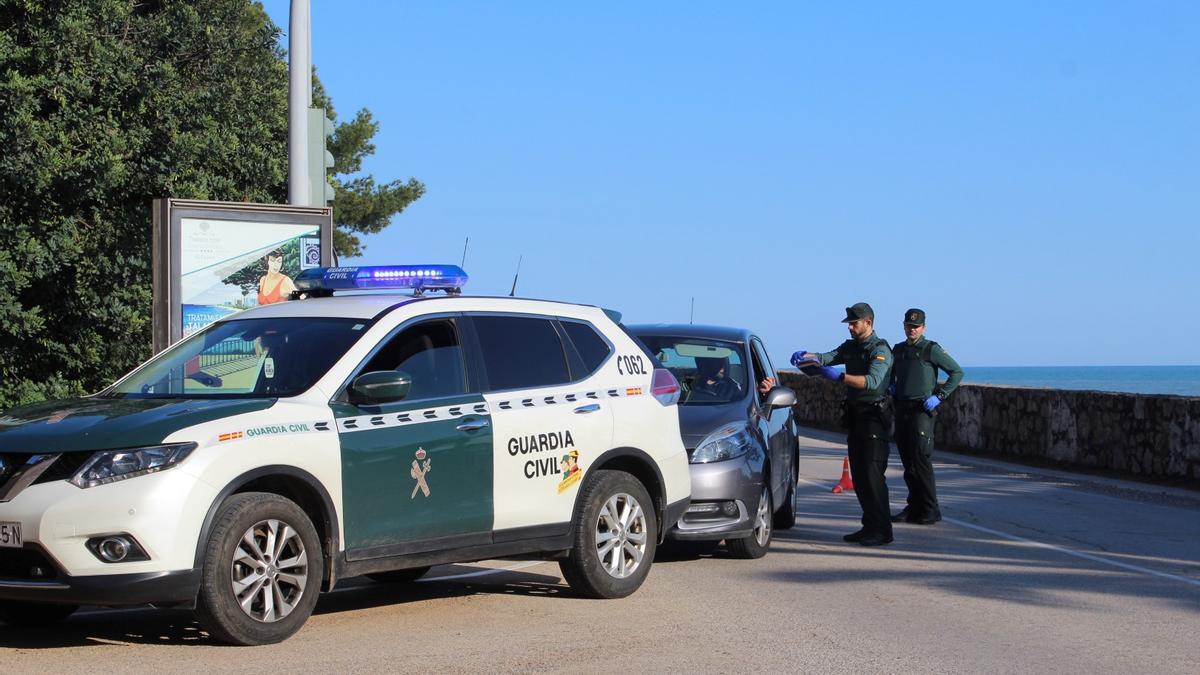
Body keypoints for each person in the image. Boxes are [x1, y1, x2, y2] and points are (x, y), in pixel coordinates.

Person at [791, 302, 895, 546]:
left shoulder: (880, 350)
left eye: (854, 323)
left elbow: (872, 381)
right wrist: (809, 358)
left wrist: (839, 376)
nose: (849, 327)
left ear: (868, 323)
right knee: (859, 475)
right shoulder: (850, 347)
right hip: (856, 416)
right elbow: (828, 357)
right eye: (848, 323)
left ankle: (882, 530)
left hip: (874, 418)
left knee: (872, 476)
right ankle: (869, 525)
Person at [889, 308, 964, 525]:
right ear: (903, 326)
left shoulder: (931, 349)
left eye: (916, 326)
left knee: (921, 460)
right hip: (902, 408)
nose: (912, 330)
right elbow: (891, 373)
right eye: (908, 326)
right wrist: (892, 385)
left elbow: (956, 372)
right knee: (908, 462)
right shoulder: (899, 350)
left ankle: (931, 509)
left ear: (923, 327)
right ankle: (914, 506)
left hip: (922, 409)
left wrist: (939, 396)